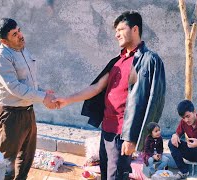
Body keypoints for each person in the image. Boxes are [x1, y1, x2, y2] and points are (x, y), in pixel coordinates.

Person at [53, 11, 166, 179]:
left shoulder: (150, 60)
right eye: (116, 31)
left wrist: (134, 138)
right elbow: (97, 87)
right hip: (107, 131)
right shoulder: (117, 62)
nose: (116, 35)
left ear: (135, 29)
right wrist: (67, 100)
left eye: (120, 29)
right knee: (106, 174)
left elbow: (155, 103)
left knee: (117, 176)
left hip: (124, 134)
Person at [0, 18, 57, 180]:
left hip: (27, 111)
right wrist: (43, 97)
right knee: (7, 161)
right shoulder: (0, 57)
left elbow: (27, 83)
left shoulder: (23, 50)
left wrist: (42, 93)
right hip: (10, 114)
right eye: (14, 34)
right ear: (4, 40)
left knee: (27, 155)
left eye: (19, 30)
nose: (20, 35)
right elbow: (14, 87)